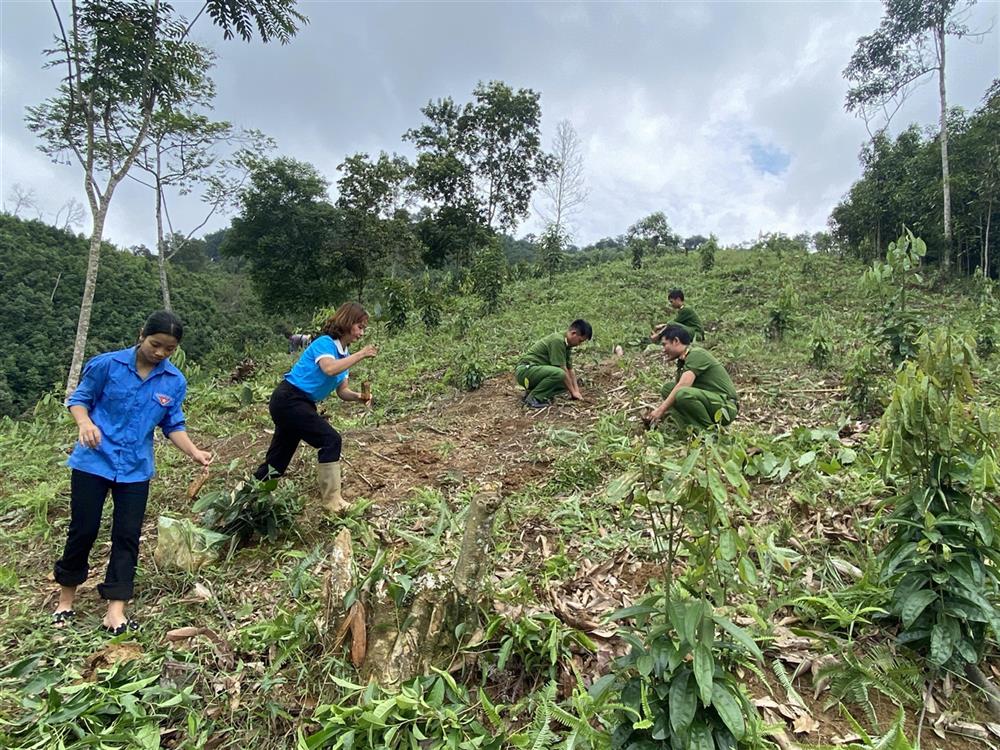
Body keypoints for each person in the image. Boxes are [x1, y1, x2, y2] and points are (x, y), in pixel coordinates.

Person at [53, 311, 213, 634]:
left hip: (135, 469)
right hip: (93, 462)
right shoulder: (106, 366)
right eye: (155, 344)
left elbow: (172, 424)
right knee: (83, 529)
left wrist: (194, 451)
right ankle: (65, 600)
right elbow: (79, 400)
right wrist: (84, 423)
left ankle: (115, 611)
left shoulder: (173, 381)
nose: (160, 353)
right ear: (142, 334)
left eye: (169, 349)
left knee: (127, 536)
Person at [254, 302, 376, 514]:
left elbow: (341, 391)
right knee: (330, 440)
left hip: (300, 404)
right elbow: (328, 369)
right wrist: (361, 355)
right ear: (348, 323)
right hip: (289, 398)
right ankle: (333, 501)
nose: (361, 333)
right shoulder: (325, 344)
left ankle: (247, 495)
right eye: (360, 327)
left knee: (278, 460)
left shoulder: (344, 354)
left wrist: (358, 397)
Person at [646, 324, 738, 430]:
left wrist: (660, 410)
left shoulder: (696, 354)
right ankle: (689, 426)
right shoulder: (683, 360)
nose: (663, 350)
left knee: (683, 393)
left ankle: (709, 431)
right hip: (711, 402)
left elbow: (683, 386)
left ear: (676, 341)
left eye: (664, 345)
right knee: (668, 389)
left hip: (726, 407)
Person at [515, 319, 593, 408]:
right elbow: (562, 369)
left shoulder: (567, 344)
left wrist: (576, 391)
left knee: (566, 382)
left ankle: (533, 393)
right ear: (573, 333)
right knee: (560, 374)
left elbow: (570, 369)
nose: (579, 344)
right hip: (525, 370)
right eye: (580, 341)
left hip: (536, 372)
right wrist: (573, 392)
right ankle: (533, 398)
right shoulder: (558, 341)